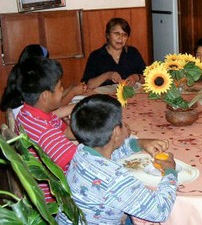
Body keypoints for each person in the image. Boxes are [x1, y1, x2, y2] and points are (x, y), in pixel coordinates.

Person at [56, 94, 177, 224]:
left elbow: (111, 151)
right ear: (116, 132)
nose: (125, 125)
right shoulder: (115, 179)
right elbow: (160, 212)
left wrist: (139, 143)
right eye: (122, 123)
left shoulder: (81, 151)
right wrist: (170, 171)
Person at [15, 57, 77, 202]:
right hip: (57, 196)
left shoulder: (27, 113)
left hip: (43, 185)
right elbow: (82, 163)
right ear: (46, 96)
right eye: (60, 87)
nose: (63, 89)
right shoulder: (45, 131)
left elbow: (64, 132)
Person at [0, 44, 87, 118]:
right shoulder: (31, 80)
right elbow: (53, 109)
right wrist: (73, 93)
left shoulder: (21, 72)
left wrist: (71, 88)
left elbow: (49, 99)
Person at [81, 18, 146, 89]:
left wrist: (136, 77)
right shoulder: (96, 56)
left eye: (124, 35)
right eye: (117, 34)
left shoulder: (133, 52)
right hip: (104, 98)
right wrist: (107, 75)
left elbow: (147, 78)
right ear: (108, 35)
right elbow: (87, 85)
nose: (120, 38)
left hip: (131, 96)